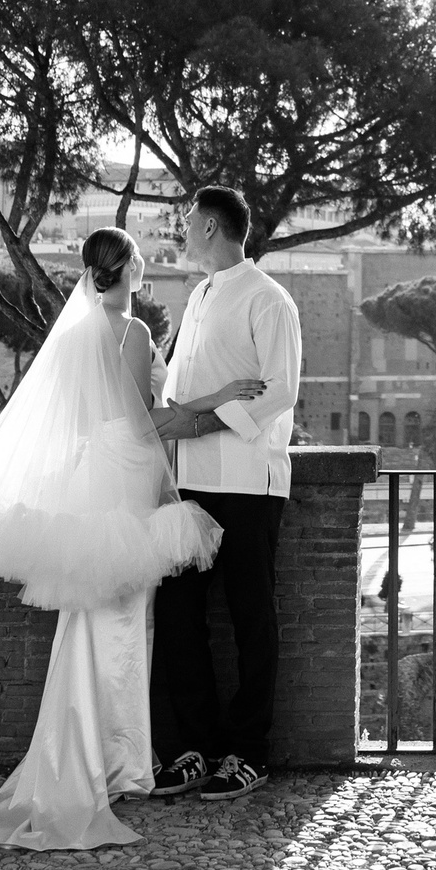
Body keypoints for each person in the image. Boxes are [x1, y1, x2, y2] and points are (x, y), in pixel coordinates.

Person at [0, 228, 261, 850]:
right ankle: (118, 763)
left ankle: (94, 754)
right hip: (126, 473)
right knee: (126, 617)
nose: (147, 263)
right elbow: (143, 420)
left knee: (90, 615)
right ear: (125, 268)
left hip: (92, 474)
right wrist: (219, 398)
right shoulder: (131, 333)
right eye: (140, 258)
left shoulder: (75, 332)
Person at [147, 186, 302, 803]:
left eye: (188, 222)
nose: (182, 231)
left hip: (248, 482)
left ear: (210, 226)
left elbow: (281, 391)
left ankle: (249, 752)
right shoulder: (201, 294)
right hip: (190, 480)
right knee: (182, 617)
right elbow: (182, 384)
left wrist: (202, 421)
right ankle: (196, 750)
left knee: (250, 617)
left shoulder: (270, 299)